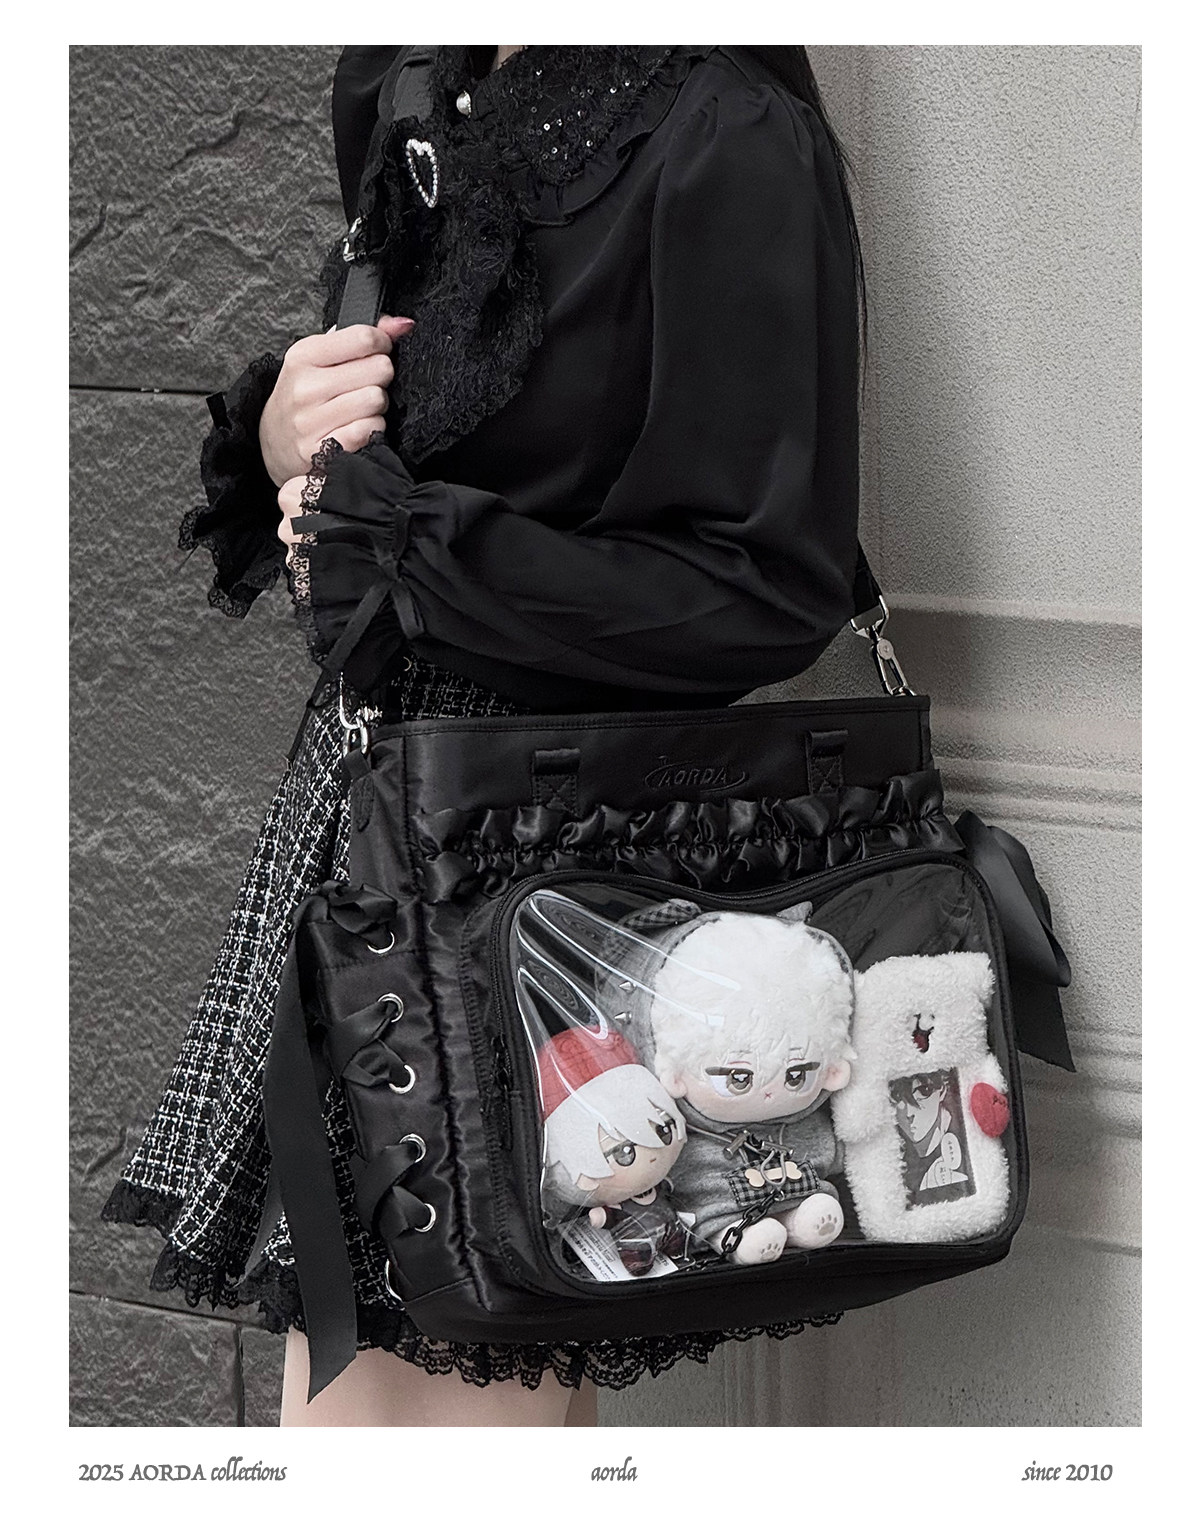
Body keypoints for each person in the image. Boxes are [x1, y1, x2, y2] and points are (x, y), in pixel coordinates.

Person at [103, 43, 868, 1428]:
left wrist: (406, 545)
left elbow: (764, 586)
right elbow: (403, 447)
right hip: (364, 812)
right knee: (373, 1409)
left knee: (430, 1421)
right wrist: (290, 434)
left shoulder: (717, 128)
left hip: (541, 854)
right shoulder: (406, 78)